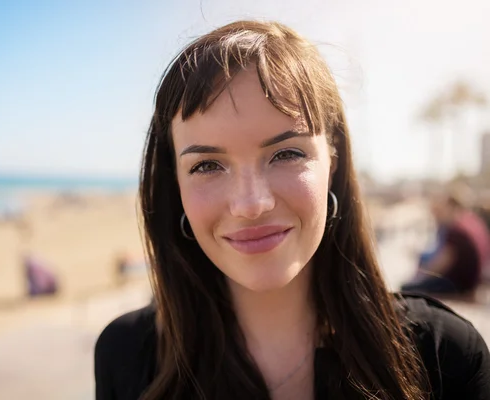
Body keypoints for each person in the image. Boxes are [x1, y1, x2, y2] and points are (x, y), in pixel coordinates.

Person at [94, 21, 490, 399]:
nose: (251, 204)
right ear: (174, 184)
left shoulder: (445, 356)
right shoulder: (126, 356)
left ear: (331, 162)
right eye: (207, 165)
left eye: (286, 153)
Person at [401, 186, 490, 296]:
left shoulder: (457, 231)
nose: (436, 213)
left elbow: (440, 265)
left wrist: (418, 279)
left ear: (450, 207)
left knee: (407, 289)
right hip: (471, 281)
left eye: (440, 208)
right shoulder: (470, 220)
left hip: (459, 285)